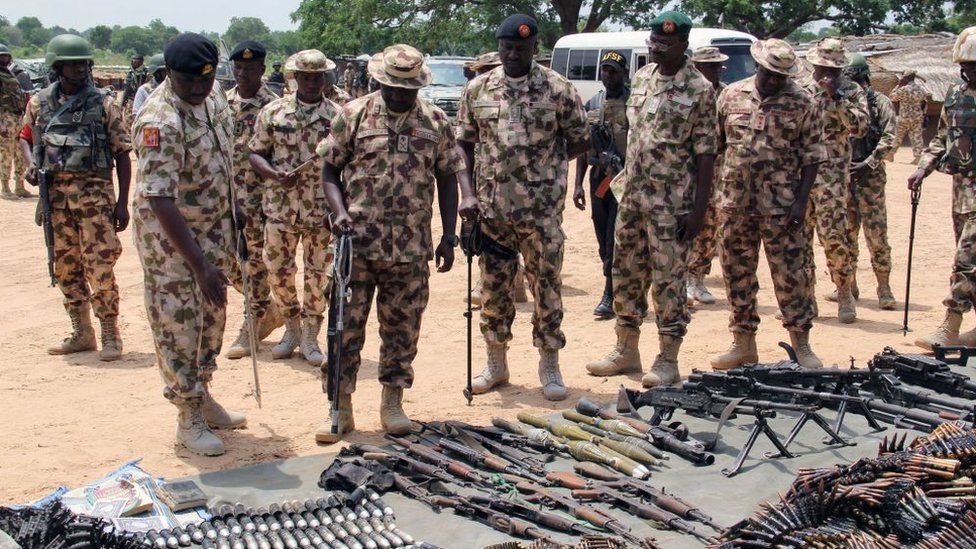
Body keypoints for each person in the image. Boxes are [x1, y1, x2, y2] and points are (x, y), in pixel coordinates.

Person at [318, 44, 477, 441]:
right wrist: (338, 212)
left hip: (409, 250)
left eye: (406, 89)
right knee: (345, 329)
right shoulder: (352, 115)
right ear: (379, 82)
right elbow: (328, 171)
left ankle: (392, 402)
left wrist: (448, 235)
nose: (398, 95)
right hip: (356, 247)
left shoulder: (436, 121)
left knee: (402, 329)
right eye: (392, 87)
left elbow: (447, 178)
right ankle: (340, 405)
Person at [457, 14, 588, 401]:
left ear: (536, 48)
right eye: (507, 47)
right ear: (499, 47)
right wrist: (468, 194)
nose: (514, 54)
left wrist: (546, 172)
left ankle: (550, 364)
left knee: (546, 289)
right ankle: (496, 364)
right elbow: (462, 144)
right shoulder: (479, 89)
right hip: (492, 214)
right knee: (495, 292)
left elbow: (580, 140)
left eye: (522, 47)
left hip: (542, 216)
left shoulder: (558, 89)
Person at [584, 12, 717, 387]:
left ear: (683, 45)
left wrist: (699, 211)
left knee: (668, 282)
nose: (656, 48)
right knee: (625, 274)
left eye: (665, 44)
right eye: (653, 42)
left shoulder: (699, 89)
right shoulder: (641, 78)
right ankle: (626, 349)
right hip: (632, 199)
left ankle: (667, 358)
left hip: (672, 206)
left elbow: (707, 154)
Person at [132, 33, 245, 456]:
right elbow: (159, 197)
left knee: (212, 316)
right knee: (180, 324)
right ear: (169, 75)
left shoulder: (211, 97)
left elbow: (224, 159)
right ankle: (186, 414)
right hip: (173, 245)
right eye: (187, 82)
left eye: (205, 79)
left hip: (214, 230)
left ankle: (203, 392)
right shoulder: (160, 119)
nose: (197, 89)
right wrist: (198, 264)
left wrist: (236, 212)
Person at [710, 39, 824, 370]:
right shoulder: (731, 95)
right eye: (771, 73)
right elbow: (718, 146)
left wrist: (801, 202)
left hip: (783, 207)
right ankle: (743, 343)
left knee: (791, 276)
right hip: (735, 205)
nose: (776, 80)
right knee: (737, 274)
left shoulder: (803, 101)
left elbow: (813, 156)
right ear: (758, 67)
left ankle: (801, 343)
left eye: (782, 76)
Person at [19, 34, 130, 362]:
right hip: (56, 202)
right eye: (73, 64)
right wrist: (30, 165)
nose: (80, 69)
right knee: (65, 267)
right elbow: (25, 136)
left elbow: (122, 152)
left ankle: (110, 330)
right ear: (57, 67)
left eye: (84, 63)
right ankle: (81, 331)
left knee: (101, 266)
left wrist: (122, 203)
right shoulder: (39, 102)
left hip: (95, 202)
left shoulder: (103, 103)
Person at [249, 49, 339, 366]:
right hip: (280, 208)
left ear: (324, 78)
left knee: (319, 276)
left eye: (318, 77)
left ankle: (311, 336)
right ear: (295, 78)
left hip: (320, 211)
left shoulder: (338, 117)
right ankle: (291, 327)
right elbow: (255, 153)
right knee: (277, 272)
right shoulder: (273, 113)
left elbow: (345, 163)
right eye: (306, 77)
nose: (312, 82)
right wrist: (273, 174)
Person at [911, 26, 976, 350]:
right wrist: (924, 166)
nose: (968, 71)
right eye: (965, 65)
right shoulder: (954, 94)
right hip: (961, 190)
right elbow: (942, 137)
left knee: (966, 260)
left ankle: (950, 327)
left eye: (974, 65)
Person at [802, 38, 869, 324]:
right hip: (800, 175)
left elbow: (860, 128)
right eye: (821, 67)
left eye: (832, 69)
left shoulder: (852, 91)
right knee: (799, 239)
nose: (825, 73)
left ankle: (844, 293)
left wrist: (837, 98)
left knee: (834, 238)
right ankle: (805, 298)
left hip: (832, 177)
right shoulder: (802, 89)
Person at [223, 40, 283, 360]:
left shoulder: (273, 108)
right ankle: (269, 310)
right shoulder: (221, 104)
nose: (243, 73)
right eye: (238, 67)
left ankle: (253, 319)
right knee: (225, 262)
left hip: (258, 201)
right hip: (224, 199)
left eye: (250, 67)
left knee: (254, 264)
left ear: (262, 69)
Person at [573, 50, 630, 320]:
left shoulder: (633, 103)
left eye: (614, 71)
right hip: (600, 181)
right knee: (601, 235)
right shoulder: (593, 103)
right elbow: (584, 147)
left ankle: (610, 293)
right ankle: (613, 283)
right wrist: (578, 185)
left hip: (624, 181)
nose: (608, 75)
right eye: (605, 70)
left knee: (615, 237)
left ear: (624, 73)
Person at [844, 54, 898, 310]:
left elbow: (890, 137)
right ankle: (848, 285)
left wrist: (869, 163)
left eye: (856, 79)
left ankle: (884, 287)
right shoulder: (842, 105)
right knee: (846, 235)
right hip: (845, 178)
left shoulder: (881, 103)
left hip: (871, 178)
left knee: (876, 235)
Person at [685, 46, 728, 306]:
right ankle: (682, 280)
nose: (715, 70)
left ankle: (697, 279)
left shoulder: (727, 94)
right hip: (688, 173)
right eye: (710, 66)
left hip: (719, 175)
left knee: (710, 228)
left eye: (717, 66)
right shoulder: (689, 91)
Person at [0, 43, 29, 198]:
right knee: (6, 153)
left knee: (20, 152)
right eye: (1, 56)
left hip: (18, 117)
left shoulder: (9, 74)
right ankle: (5, 188)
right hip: (5, 117)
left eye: (6, 56)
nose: (4, 58)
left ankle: (20, 186)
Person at [889, 70, 931, 164]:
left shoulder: (904, 89)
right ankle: (918, 157)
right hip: (917, 117)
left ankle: (890, 154)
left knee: (897, 136)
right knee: (917, 137)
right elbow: (925, 102)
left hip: (904, 117)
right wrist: (923, 114)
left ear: (906, 78)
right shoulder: (921, 89)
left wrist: (898, 85)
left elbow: (892, 97)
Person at [132, 53, 167, 119]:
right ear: (157, 72)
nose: (168, 73)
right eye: (165, 71)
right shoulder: (144, 90)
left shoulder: (176, 89)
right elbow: (136, 115)